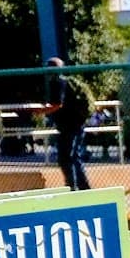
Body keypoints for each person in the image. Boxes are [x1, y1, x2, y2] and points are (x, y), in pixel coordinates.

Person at [44, 57, 91, 190]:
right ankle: (83, 187)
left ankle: (73, 186)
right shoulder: (67, 82)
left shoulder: (57, 82)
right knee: (74, 157)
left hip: (69, 126)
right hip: (77, 124)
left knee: (66, 158)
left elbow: (57, 104)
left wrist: (41, 111)